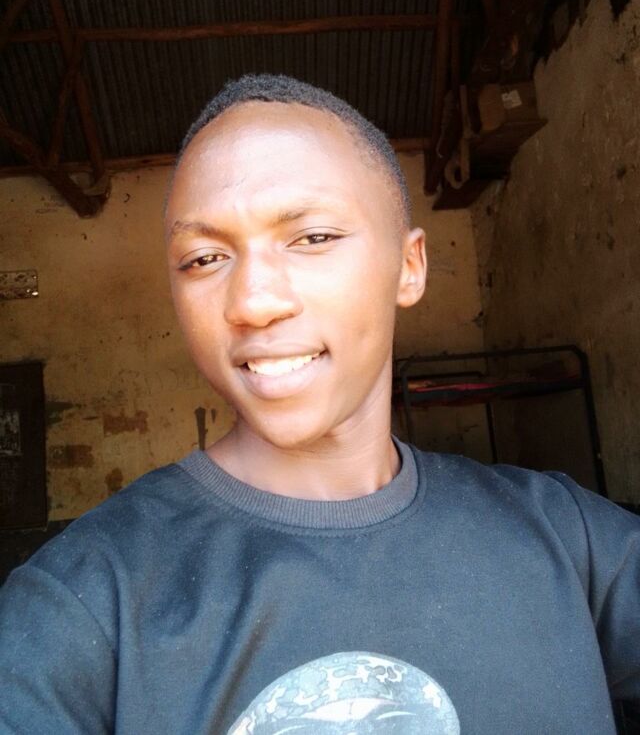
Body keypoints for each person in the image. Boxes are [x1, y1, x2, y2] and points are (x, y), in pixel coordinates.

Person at [0, 74, 638, 735]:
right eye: (204, 257)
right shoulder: (82, 604)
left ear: (409, 267)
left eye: (313, 238)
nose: (254, 301)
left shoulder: (570, 540)